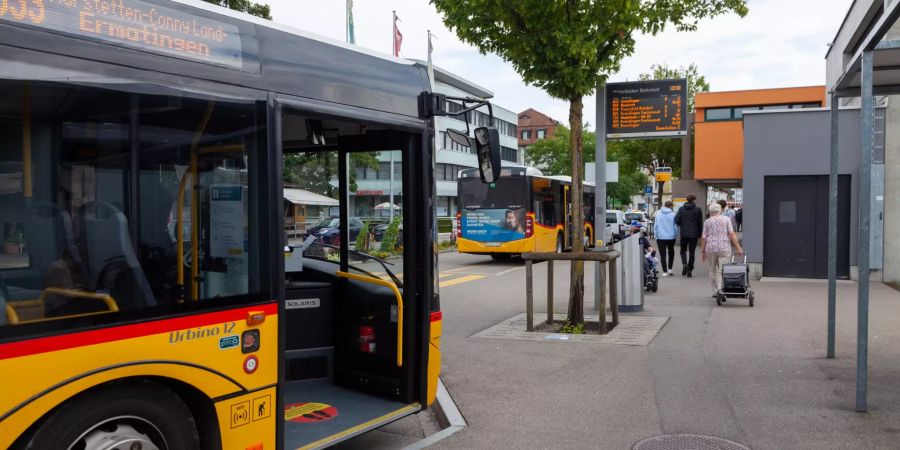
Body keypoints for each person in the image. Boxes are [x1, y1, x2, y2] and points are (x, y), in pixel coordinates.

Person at [701, 203, 744, 298]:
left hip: (711, 248)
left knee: (712, 270)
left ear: (710, 211)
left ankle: (715, 291)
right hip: (724, 248)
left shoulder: (707, 222)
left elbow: (704, 237)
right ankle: (722, 290)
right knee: (723, 270)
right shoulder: (726, 219)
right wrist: (738, 248)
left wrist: (703, 251)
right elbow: (732, 234)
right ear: (720, 210)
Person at [674, 194, 704, 277]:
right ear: (694, 200)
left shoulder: (681, 209)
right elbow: (700, 223)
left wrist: (681, 224)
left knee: (683, 250)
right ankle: (690, 269)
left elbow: (676, 219)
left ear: (686, 200)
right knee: (692, 252)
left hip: (684, 234)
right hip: (694, 234)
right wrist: (700, 234)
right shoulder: (698, 210)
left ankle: (684, 264)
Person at [653, 201, 678, 277]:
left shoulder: (658, 214)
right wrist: (675, 235)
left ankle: (664, 271)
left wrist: (656, 235)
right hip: (671, 236)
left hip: (660, 237)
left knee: (662, 254)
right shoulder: (674, 215)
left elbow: (655, 226)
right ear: (670, 206)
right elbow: (676, 227)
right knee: (671, 252)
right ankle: (670, 269)